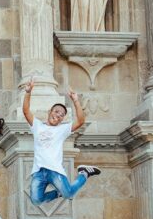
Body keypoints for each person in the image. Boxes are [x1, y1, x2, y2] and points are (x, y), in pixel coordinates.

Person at [23, 78, 101, 208]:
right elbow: (26, 111)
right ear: (50, 112)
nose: (58, 115)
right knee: (36, 200)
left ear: (62, 119)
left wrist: (76, 100)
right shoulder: (37, 126)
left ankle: (84, 174)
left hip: (54, 170)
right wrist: (28, 92)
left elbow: (81, 121)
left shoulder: (62, 129)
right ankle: (59, 193)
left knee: (69, 194)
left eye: (62, 115)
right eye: (56, 111)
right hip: (38, 171)